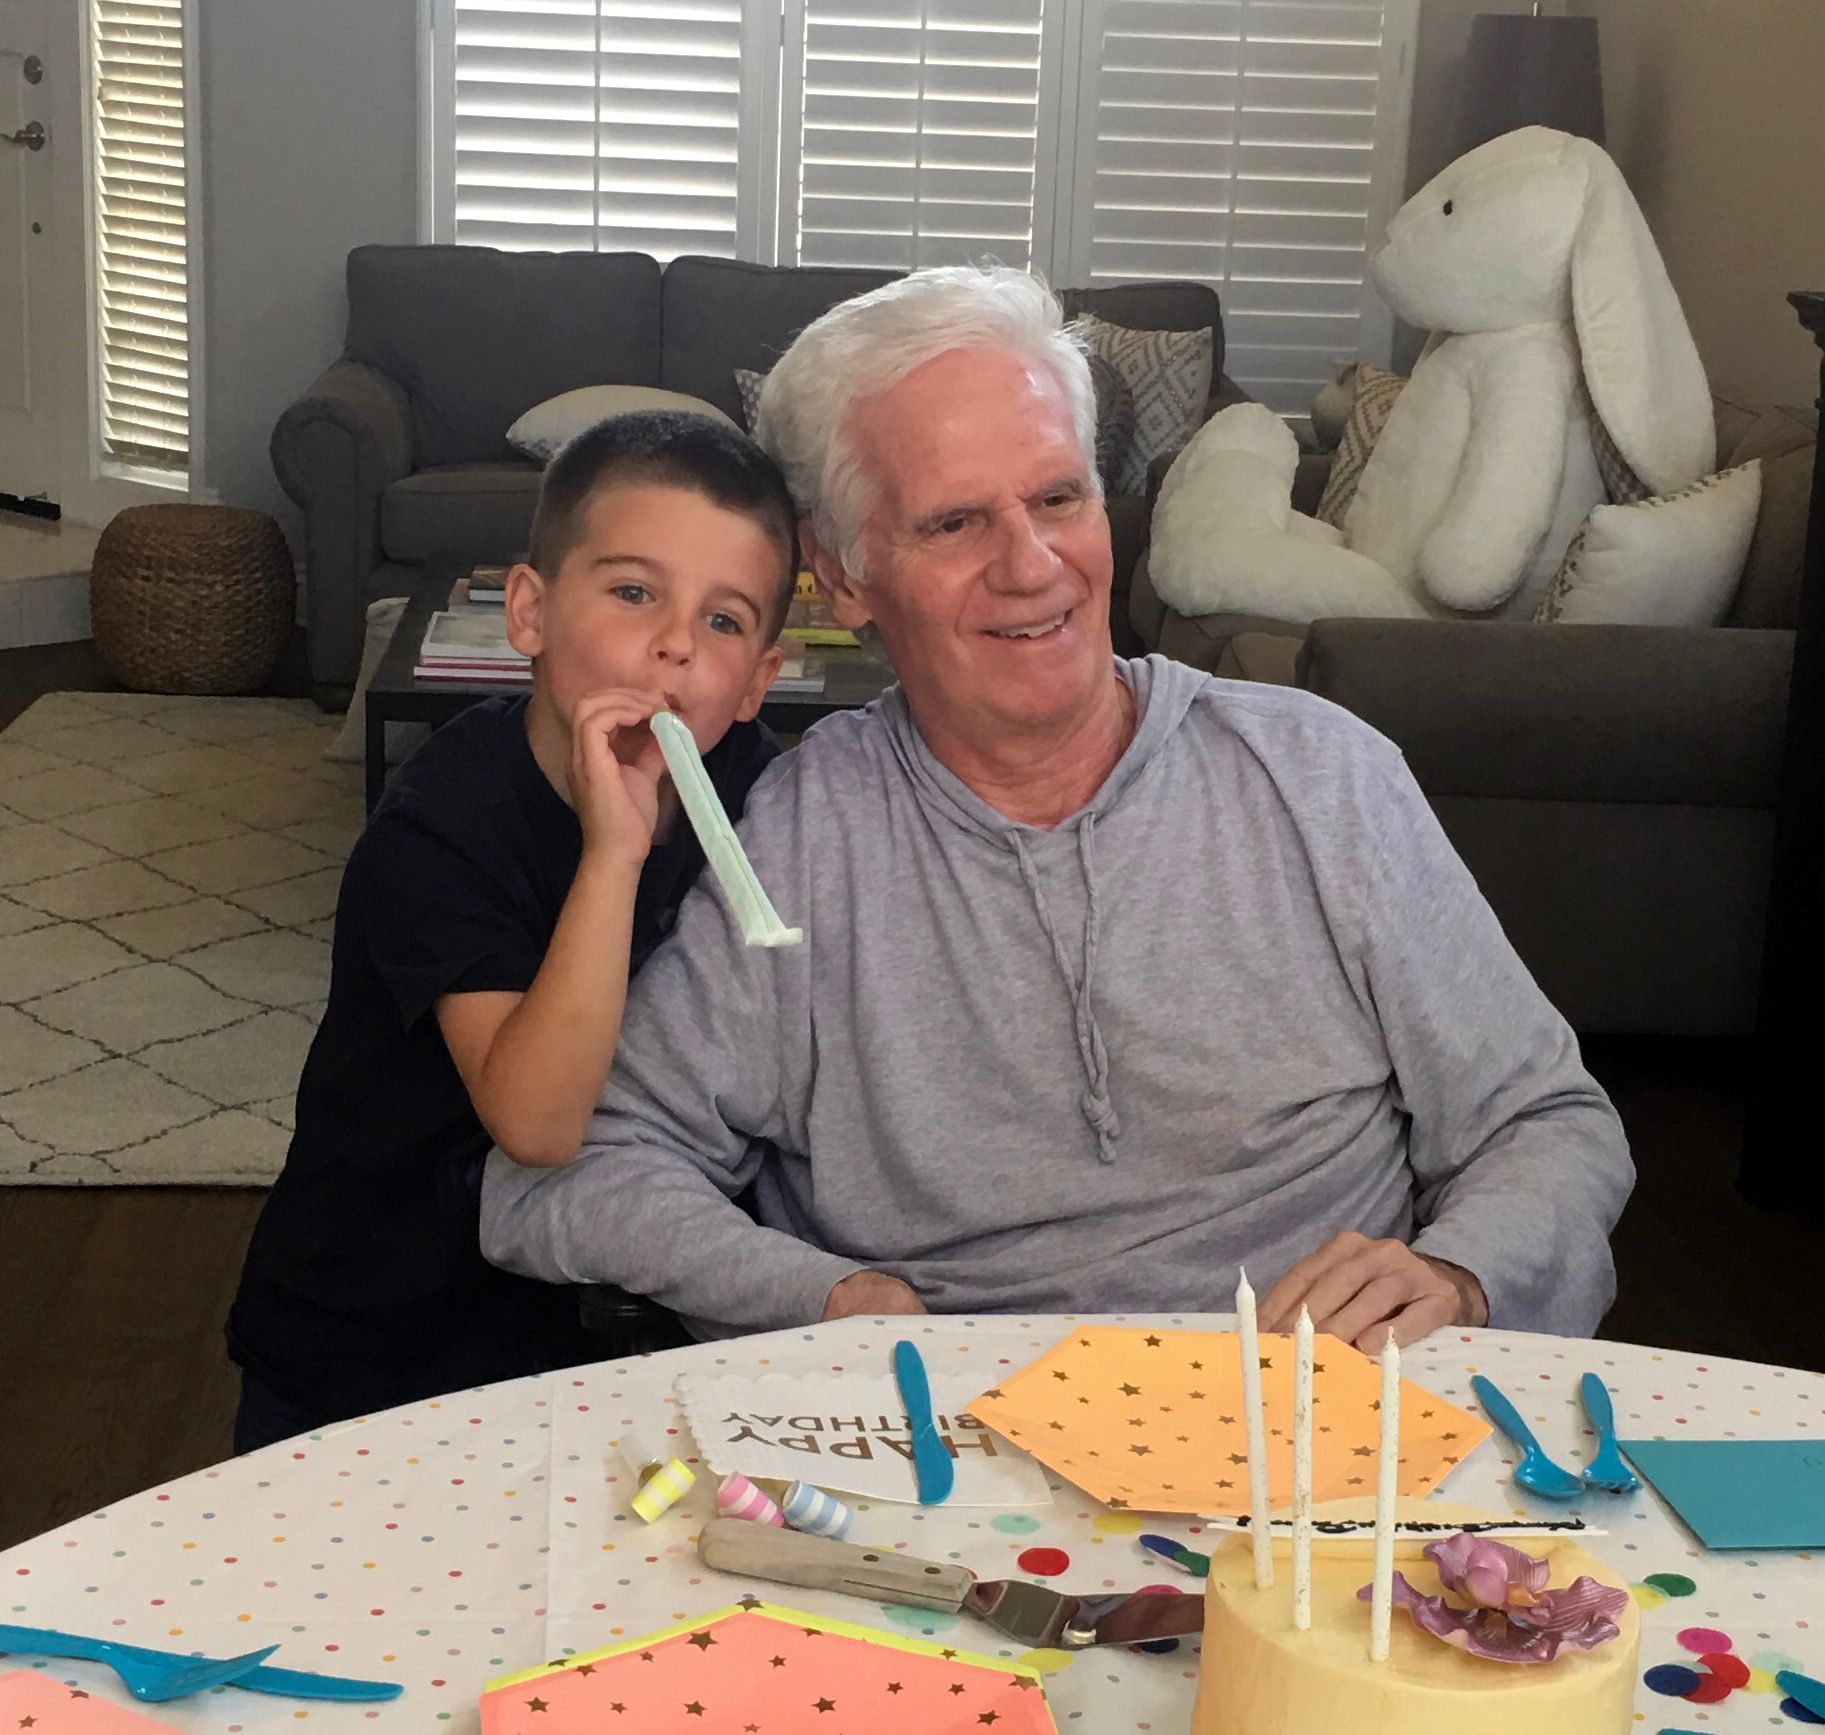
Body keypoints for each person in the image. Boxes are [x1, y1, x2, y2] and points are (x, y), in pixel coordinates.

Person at [480, 267, 1635, 1350]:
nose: (1031, 564)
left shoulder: (1320, 775)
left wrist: (1459, 1273)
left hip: (1320, 1419)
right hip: (949, 1432)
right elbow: (573, 1176)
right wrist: (825, 1297)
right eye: (953, 522)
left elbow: (1544, 1123)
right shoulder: (795, 836)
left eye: (1056, 497)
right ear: (842, 576)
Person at [225, 411, 794, 1450]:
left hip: (586, 1337)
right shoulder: (440, 822)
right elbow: (536, 1122)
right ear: (528, 611)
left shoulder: (763, 794)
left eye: (723, 621)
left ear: (758, 678)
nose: (676, 642)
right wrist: (613, 853)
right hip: (373, 1334)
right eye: (634, 593)